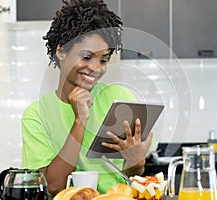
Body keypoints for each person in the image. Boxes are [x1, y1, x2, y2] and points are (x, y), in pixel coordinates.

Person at [21, 0, 153, 196]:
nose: (96, 68)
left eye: (104, 60)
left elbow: (133, 174)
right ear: (61, 51)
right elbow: (53, 187)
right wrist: (79, 121)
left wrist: (135, 161)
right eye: (86, 57)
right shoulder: (37, 115)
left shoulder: (119, 98)